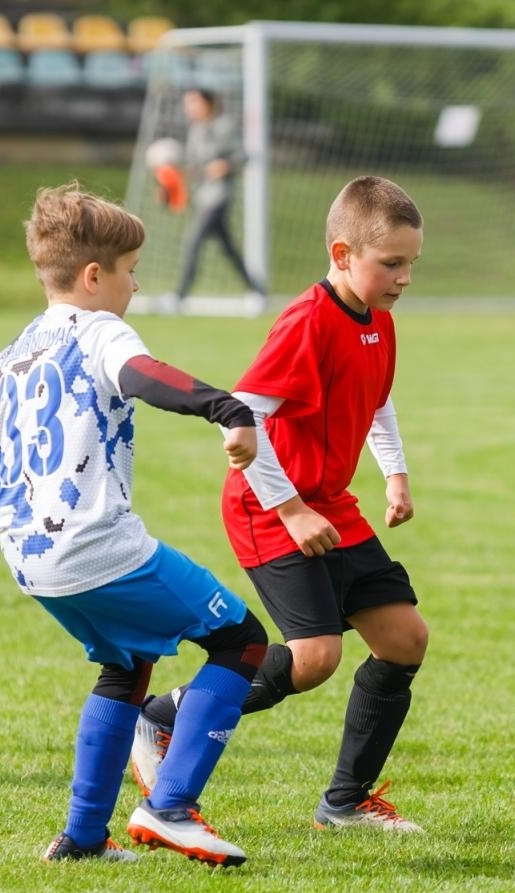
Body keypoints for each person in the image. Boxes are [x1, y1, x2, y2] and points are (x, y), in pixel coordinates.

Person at [0, 182, 270, 866]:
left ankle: (82, 839)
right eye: (129, 271)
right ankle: (171, 806)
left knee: (125, 664)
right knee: (241, 640)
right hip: (99, 546)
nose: (135, 283)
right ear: (93, 277)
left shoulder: (15, 350)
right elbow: (145, 375)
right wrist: (227, 408)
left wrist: (32, 512)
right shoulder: (100, 330)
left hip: (31, 557)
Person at [135, 177, 429, 833]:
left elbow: (377, 398)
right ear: (342, 250)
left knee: (405, 638)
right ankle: (164, 715)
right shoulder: (306, 322)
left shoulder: (378, 320)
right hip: (269, 508)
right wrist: (292, 508)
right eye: (391, 263)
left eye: (411, 263)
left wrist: (395, 473)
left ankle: (346, 802)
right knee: (315, 656)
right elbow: (241, 416)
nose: (404, 277)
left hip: (331, 503)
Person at [172, 88, 265, 309]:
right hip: (202, 197)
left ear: (207, 103)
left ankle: (179, 296)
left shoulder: (225, 126)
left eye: (193, 102)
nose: (189, 108)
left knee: (193, 242)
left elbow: (243, 155)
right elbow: (195, 167)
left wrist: (224, 165)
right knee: (228, 248)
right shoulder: (195, 130)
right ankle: (258, 290)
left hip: (218, 197)